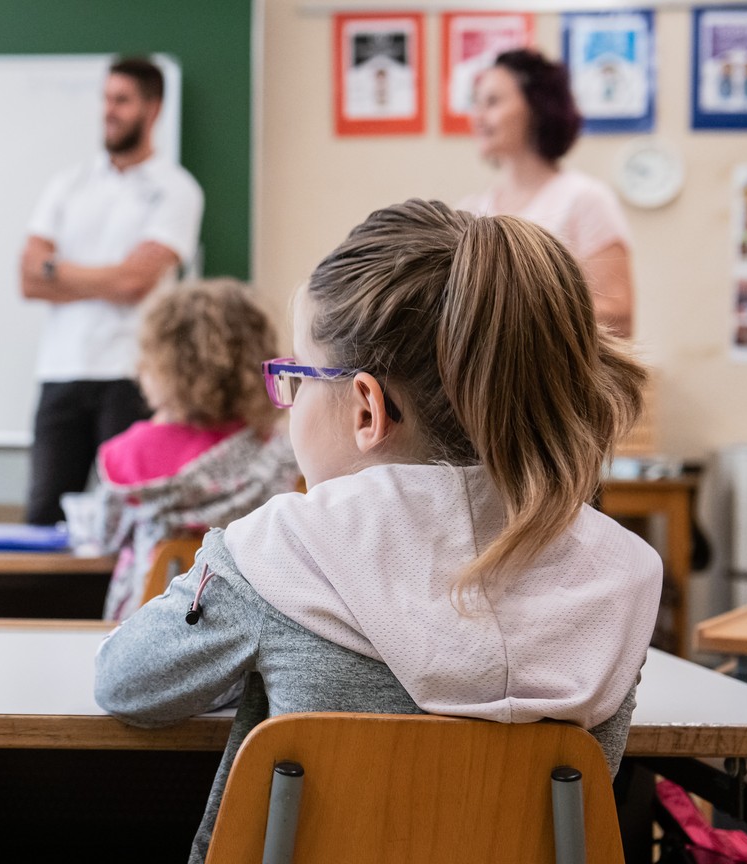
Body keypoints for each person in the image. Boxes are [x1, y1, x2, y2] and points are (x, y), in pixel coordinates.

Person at [93, 199, 662, 862]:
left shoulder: (284, 547)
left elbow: (128, 683)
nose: (290, 400)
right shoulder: (617, 573)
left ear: (367, 407)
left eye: (298, 377)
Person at [18, 57, 204, 526]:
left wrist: (58, 270)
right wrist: (106, 276)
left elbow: (135, 283)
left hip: (131, 374)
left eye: (122, 100)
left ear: (152, 108)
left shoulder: (177, 190)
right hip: (61, 370)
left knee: (127, 517)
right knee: (43, 514)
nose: (109, 110)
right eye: (106, 99)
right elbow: (28, 277)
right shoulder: (69, 184)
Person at [90, 279, 298, 622]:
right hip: (246, 624)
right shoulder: (275, 451)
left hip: (146, 624)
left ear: (161, 368)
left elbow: (106, 538)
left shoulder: (126, 455)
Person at [461, 48, 635, 337]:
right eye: (475, 103)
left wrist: (513, 316)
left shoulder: (586, 199)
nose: (477, 116)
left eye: (492, 101)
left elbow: (620, 318)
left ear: (536, 106)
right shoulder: (470, 209)